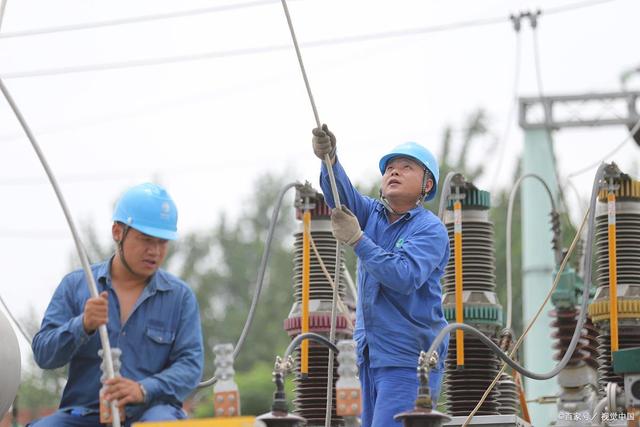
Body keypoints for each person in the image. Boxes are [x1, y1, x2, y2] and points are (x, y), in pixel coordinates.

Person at [30, 183, 204, 426]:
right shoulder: (76, 286)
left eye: (162, 242)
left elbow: (190, 366)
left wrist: (143, 389)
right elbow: (43, 355)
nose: (154, 251)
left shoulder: (180, 298)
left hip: (150, 413)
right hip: (84, 416)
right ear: (117, 232)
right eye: (145, 239)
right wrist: (82, 324)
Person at [312, 125, 450, 427]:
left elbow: (403, 275)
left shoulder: (429, 229)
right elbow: (341, 198)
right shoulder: (372, 214)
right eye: (389, 168)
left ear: (427, 184)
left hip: (409, 361)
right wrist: (330, 161)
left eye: (406, 167)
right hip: (370, 357)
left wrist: (359, 240)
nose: (394, 172)